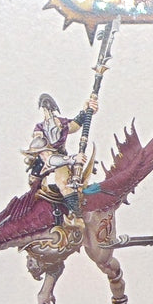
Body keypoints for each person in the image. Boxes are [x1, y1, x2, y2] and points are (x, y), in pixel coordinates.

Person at [21, 92, 98, 221]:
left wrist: (87, 111)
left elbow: (75, 124)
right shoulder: (39, 130)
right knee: (34, 188)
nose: (48, 113)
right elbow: (49, 159)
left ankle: (76, 216)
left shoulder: (61, 123)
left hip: (61, 159)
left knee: (65, 184)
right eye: (46, 109)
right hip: (43, 161)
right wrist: (73, 159)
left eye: (50, 109)